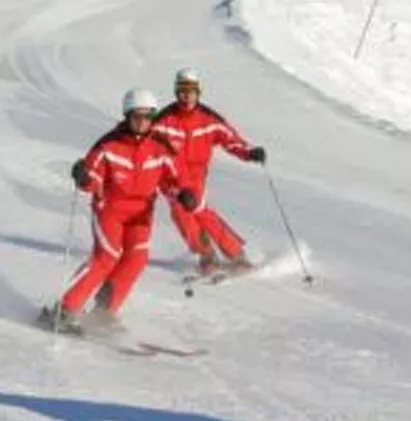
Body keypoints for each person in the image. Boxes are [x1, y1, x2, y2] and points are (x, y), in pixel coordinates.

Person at [44, 89, 196, 333]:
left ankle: (104, 311)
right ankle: (64, 310)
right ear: (127, 117)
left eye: (148, 117)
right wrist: (83, 176)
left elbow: (176, 178)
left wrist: (185, 192)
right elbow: (92, 175)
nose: (142, 123)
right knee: (107, 256)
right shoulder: (109, 145)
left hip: (141, 213)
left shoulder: (160, 147)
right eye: (137, 117)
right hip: (110, 210)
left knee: (137, 259)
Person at [151, 68, 266, 275]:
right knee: (181, 212)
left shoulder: (208, 119)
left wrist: (249, 153)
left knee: (199, 211)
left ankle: (236, 254)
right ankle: (206, 255)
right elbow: (145, 143)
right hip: (169, 178)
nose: (187, 96)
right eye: (182, 91)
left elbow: (230, 139)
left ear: (198, 92)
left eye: (191, 91)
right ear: (176, 92)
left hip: (196, 175)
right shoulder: (164, 121)